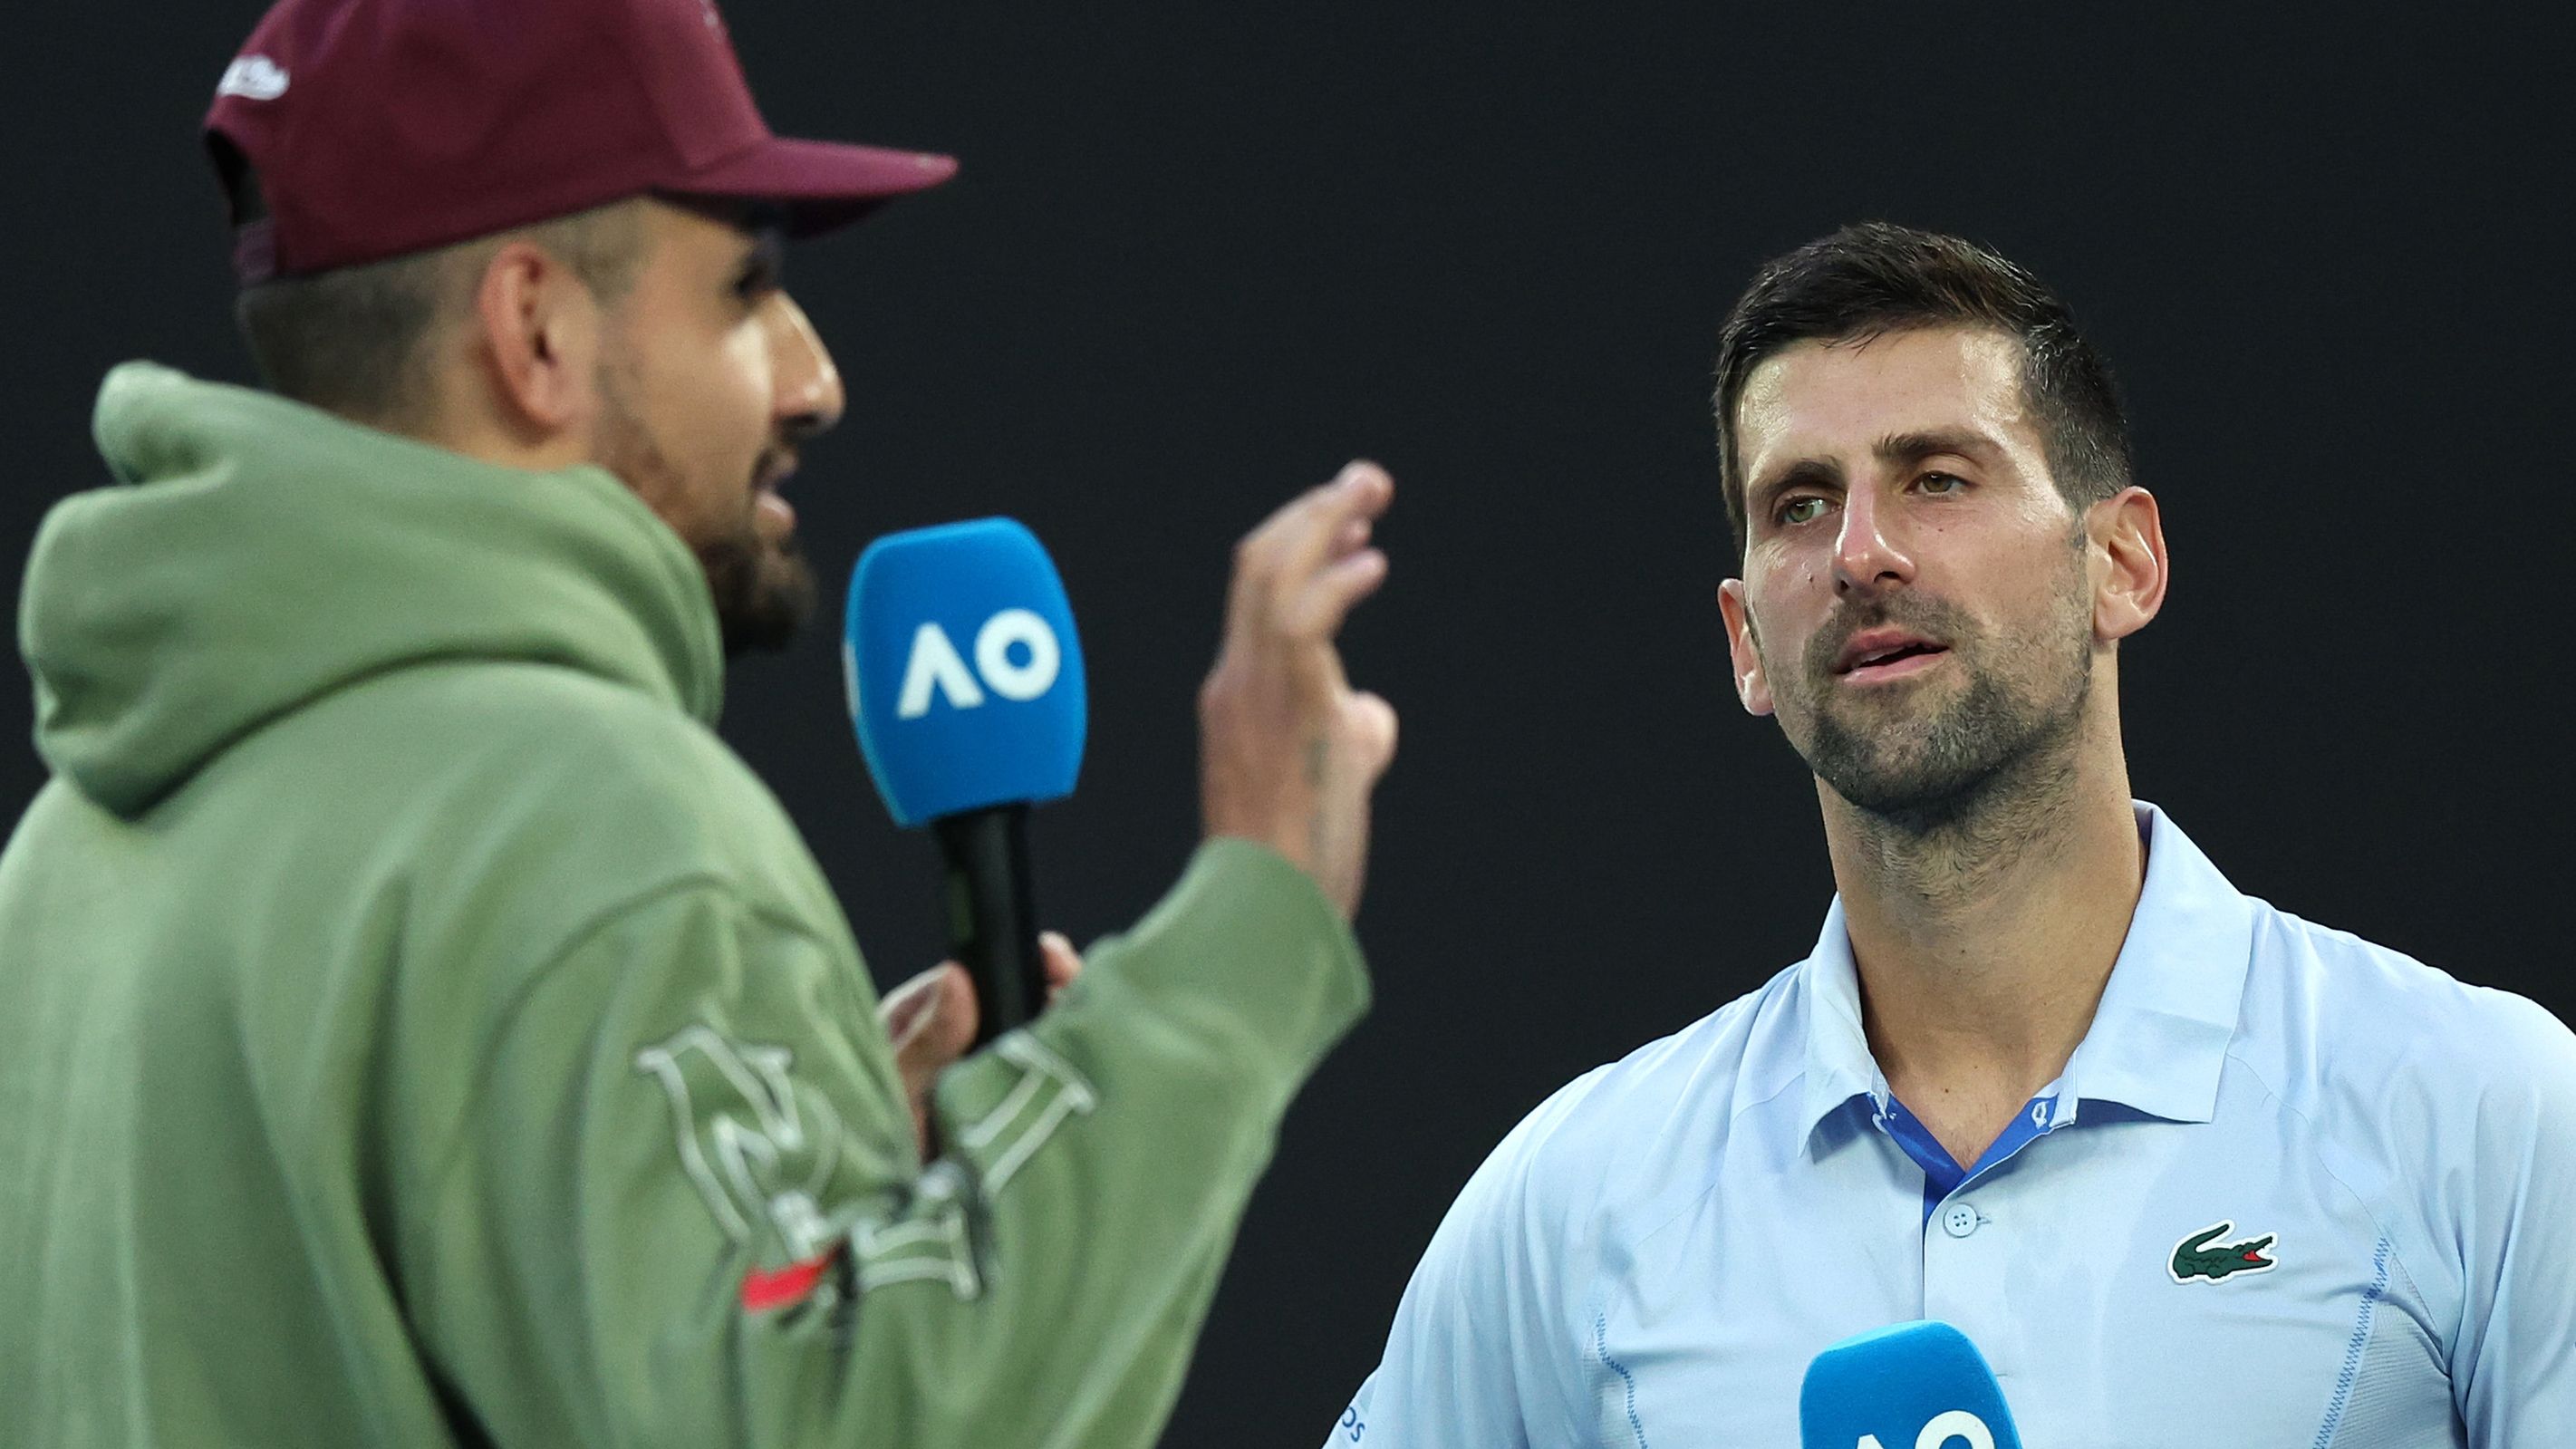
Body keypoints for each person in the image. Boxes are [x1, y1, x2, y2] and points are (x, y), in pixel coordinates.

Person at [0, 0, 1402, 1444]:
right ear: (534, 328)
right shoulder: (586, 827)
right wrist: (1249, 924)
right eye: (742, 290)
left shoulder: (64, 863)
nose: (814, 377)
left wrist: (801, 1169)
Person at [1328, 223, 2573, 1445]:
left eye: (1936, 478)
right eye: (1801, 504)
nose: (1862, 552)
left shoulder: (2483, 1116)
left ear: (2123, 562)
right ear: (1746, 643)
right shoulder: (1571, 1205)